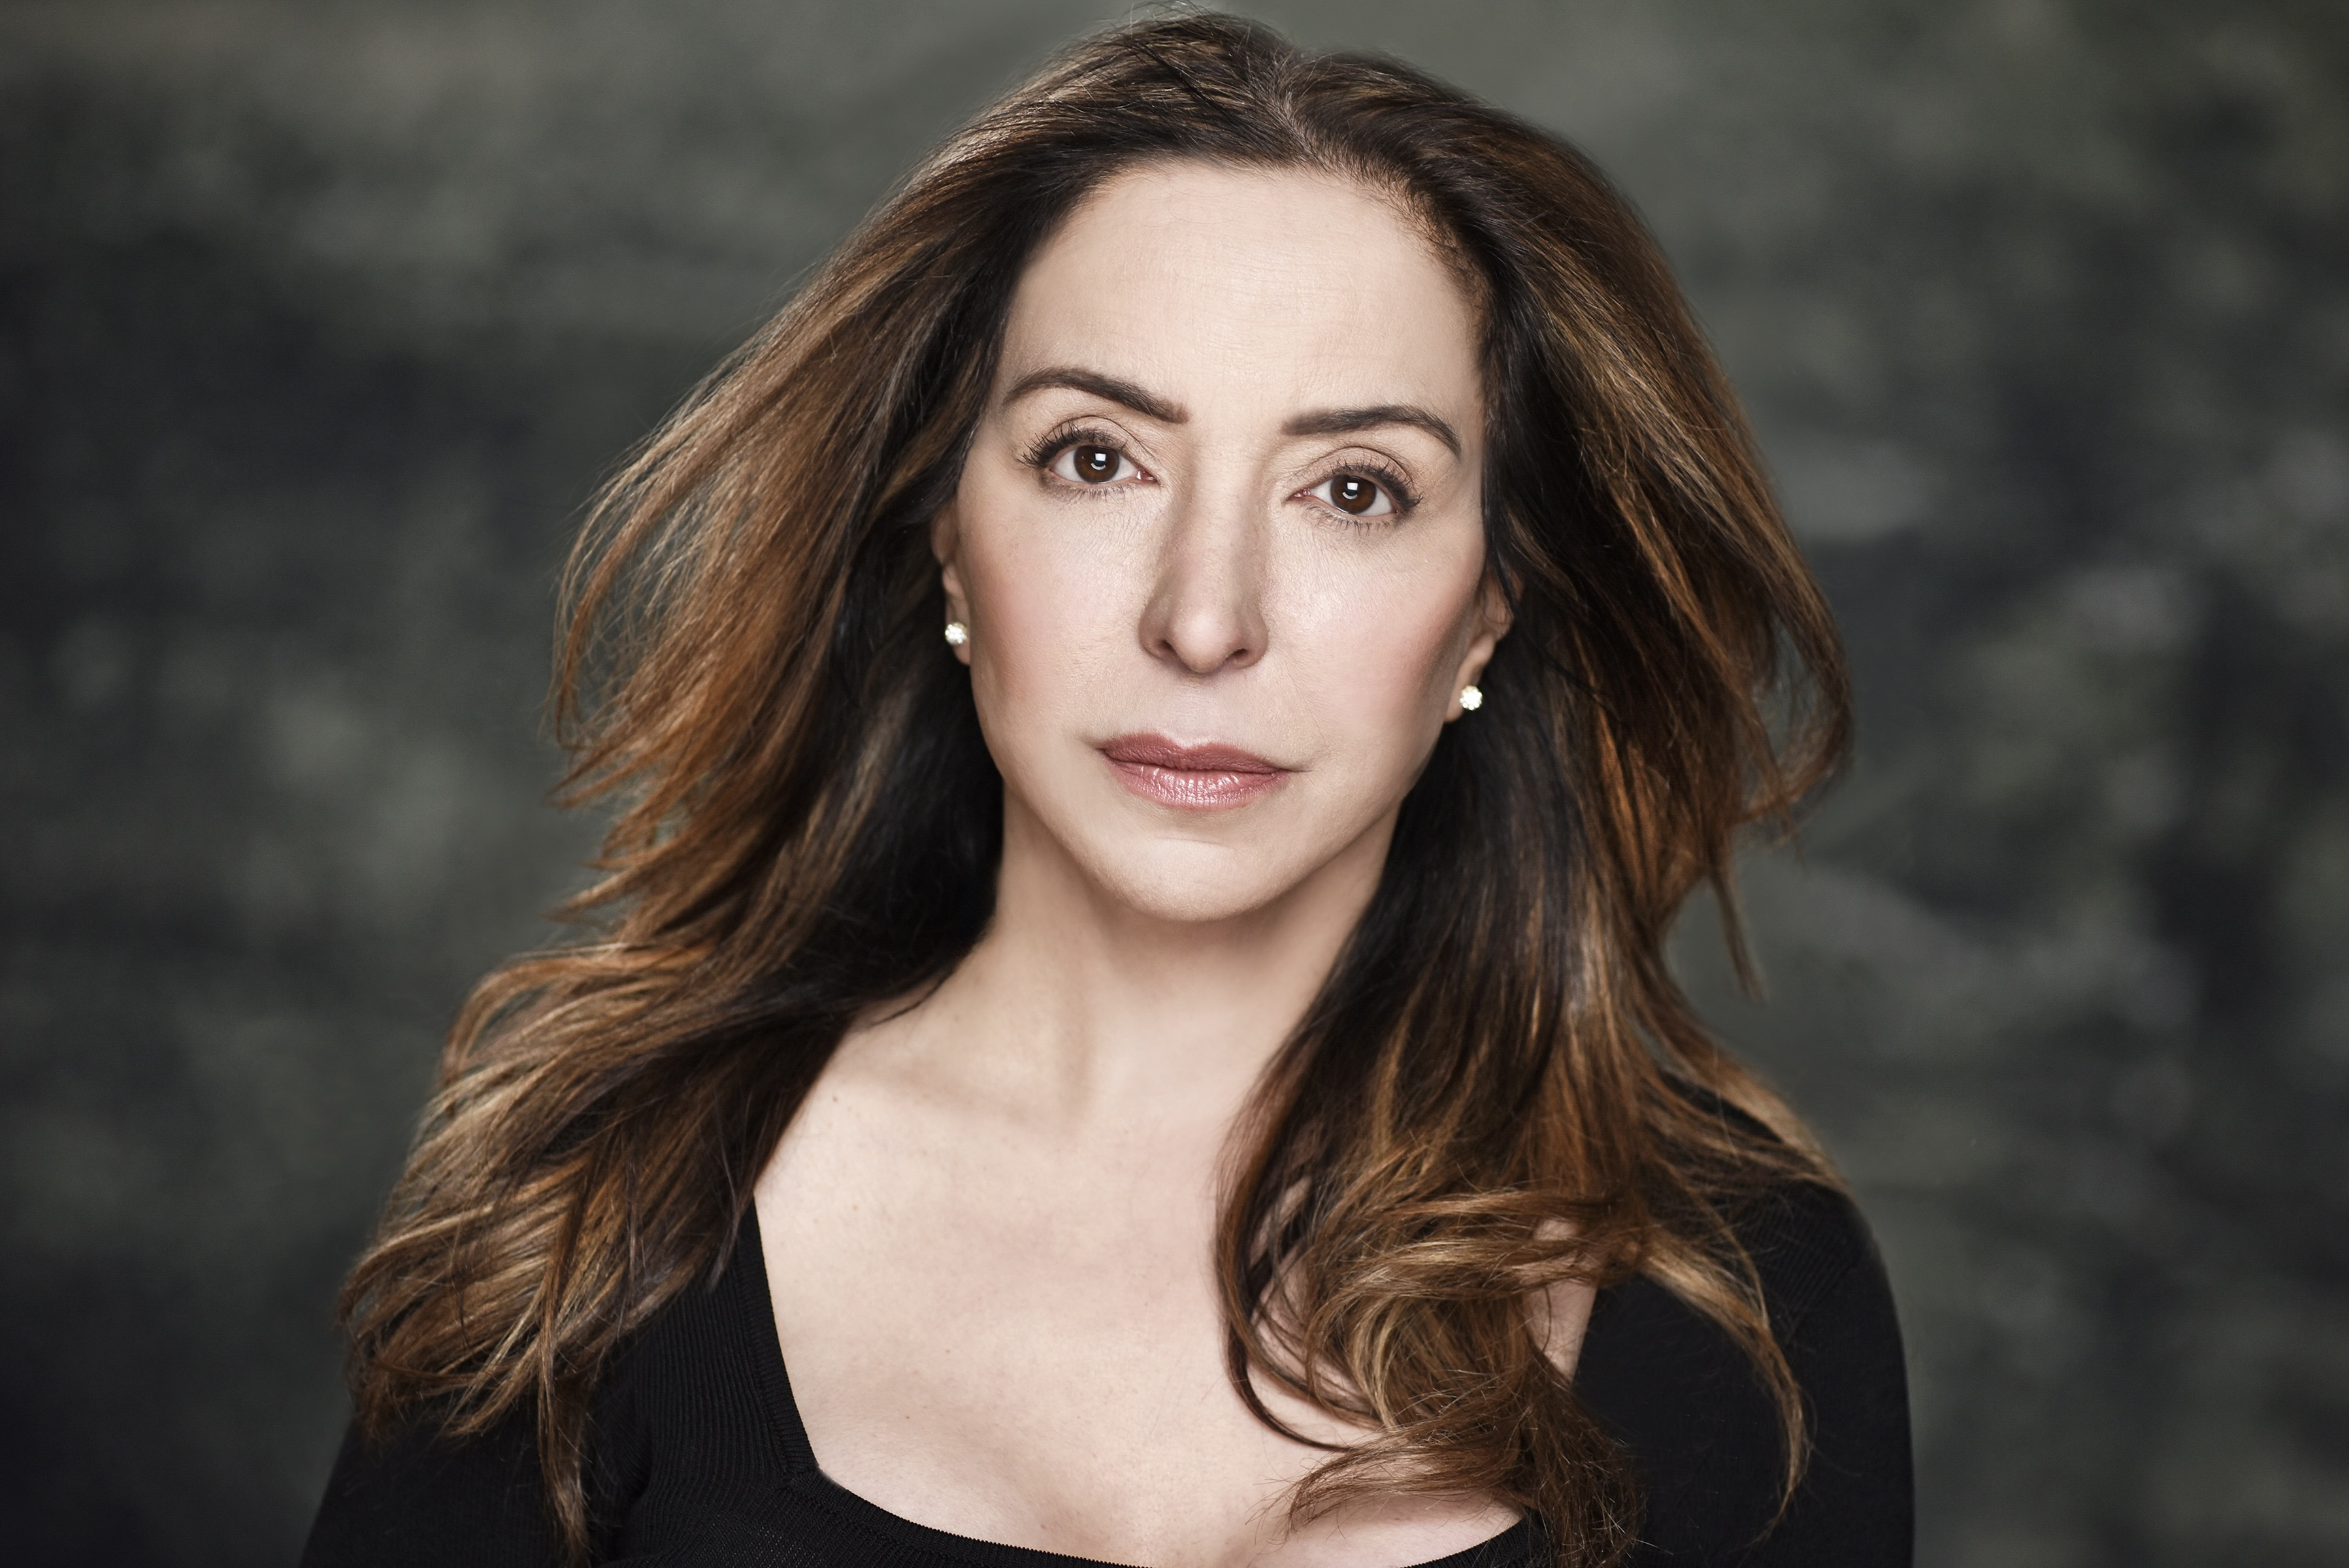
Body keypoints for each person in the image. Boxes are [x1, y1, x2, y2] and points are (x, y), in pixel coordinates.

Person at [303, 14, 1911, 1568]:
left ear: (1487, 606)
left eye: (1355, 490)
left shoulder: (1744, 1297)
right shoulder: (590, 1218)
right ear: (948, 535)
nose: (1202, 620)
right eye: (1096, 458)